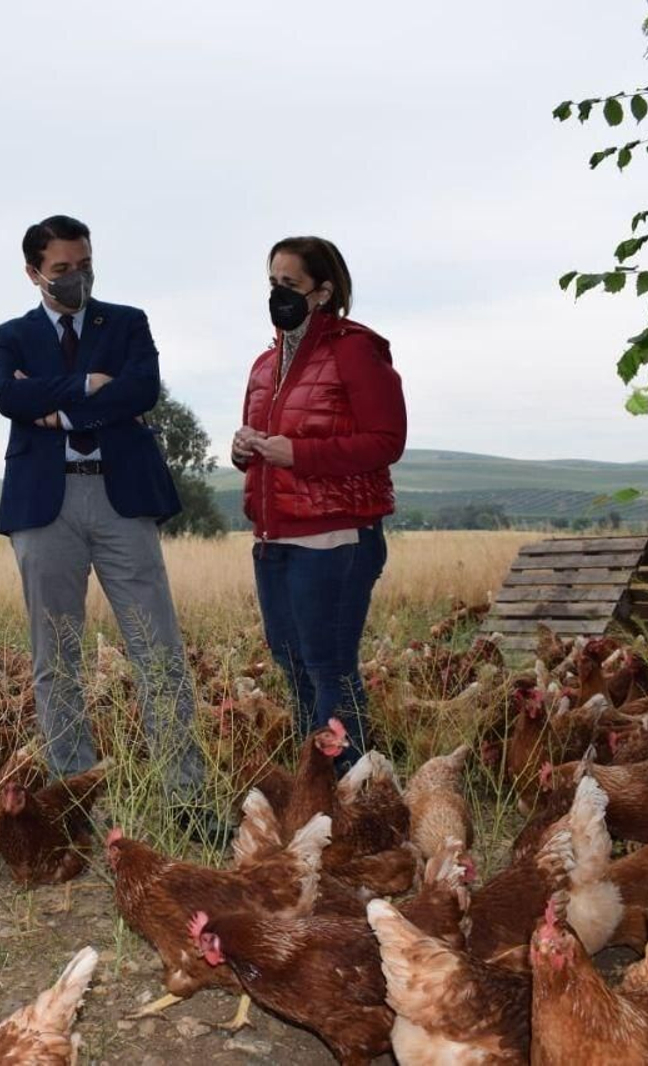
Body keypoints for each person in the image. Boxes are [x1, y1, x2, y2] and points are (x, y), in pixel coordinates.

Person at [0, 215, 223, 842]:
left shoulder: (127, 323)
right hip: (45, 508)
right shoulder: (8, 335)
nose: (76, 278)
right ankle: (75, 796)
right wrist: (86, 388)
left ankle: (186, 799)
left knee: (159, 650)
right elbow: (6, 400)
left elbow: (140, 391)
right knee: (55, 657)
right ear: (34, 272)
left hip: (121, 500)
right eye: (62, 269)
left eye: (84, 264)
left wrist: (51, 403)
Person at [232, 236, 405, 773]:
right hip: (275, 536)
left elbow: (386, 440)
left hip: (334, 538)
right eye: (272, 284)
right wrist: (244, 451)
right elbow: (267, 443)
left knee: (329, 666)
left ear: (323, 291)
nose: (278, 295)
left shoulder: (355, 350)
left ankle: (352, 785)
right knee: (292, 662)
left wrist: (299, 454)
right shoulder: (265, 363)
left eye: (290, 285)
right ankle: (318, 778)